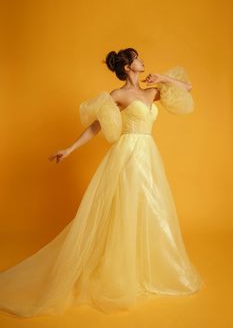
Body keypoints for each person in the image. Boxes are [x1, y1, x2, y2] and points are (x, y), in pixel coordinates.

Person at [0, 48, 204, 318]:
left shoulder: (152, 91)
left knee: (151, 210)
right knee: (124, 210)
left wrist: (164, 79)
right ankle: (120, 274)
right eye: (137, 58)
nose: (143, 61)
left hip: (149, 156)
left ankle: (145, 270)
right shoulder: (117, 96)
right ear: (129, 67)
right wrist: (70, 149)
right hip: (127, 157)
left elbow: (188, 88)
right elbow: (96, 126)